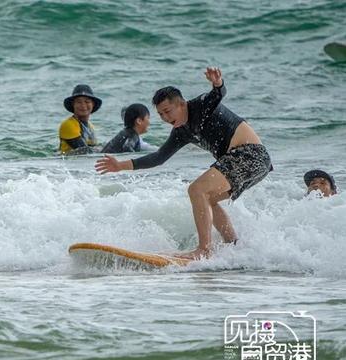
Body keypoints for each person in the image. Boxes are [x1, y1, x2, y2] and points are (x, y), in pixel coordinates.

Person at [95, 67, 272, 259]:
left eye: (167, 111)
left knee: (196, 190)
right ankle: (233, 245)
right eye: (161, 115)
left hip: (251, 154)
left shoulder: (200, 105)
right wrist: (121, 165)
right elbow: (159, 157)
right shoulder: (181, 131)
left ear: (181, 104)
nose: (165, 118)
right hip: (251, 162)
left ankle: (203, 250)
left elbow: (218, 94)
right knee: (208, 199)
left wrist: (217, 82)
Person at [58, 84, 102, 155]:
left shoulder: (90, 126)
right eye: (79, 102)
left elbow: (92, 148)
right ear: (73, 104)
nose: (83, 105)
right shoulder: (68, 125)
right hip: (68, 163)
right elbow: (85, 151)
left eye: (87, 102)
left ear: (93, 104)